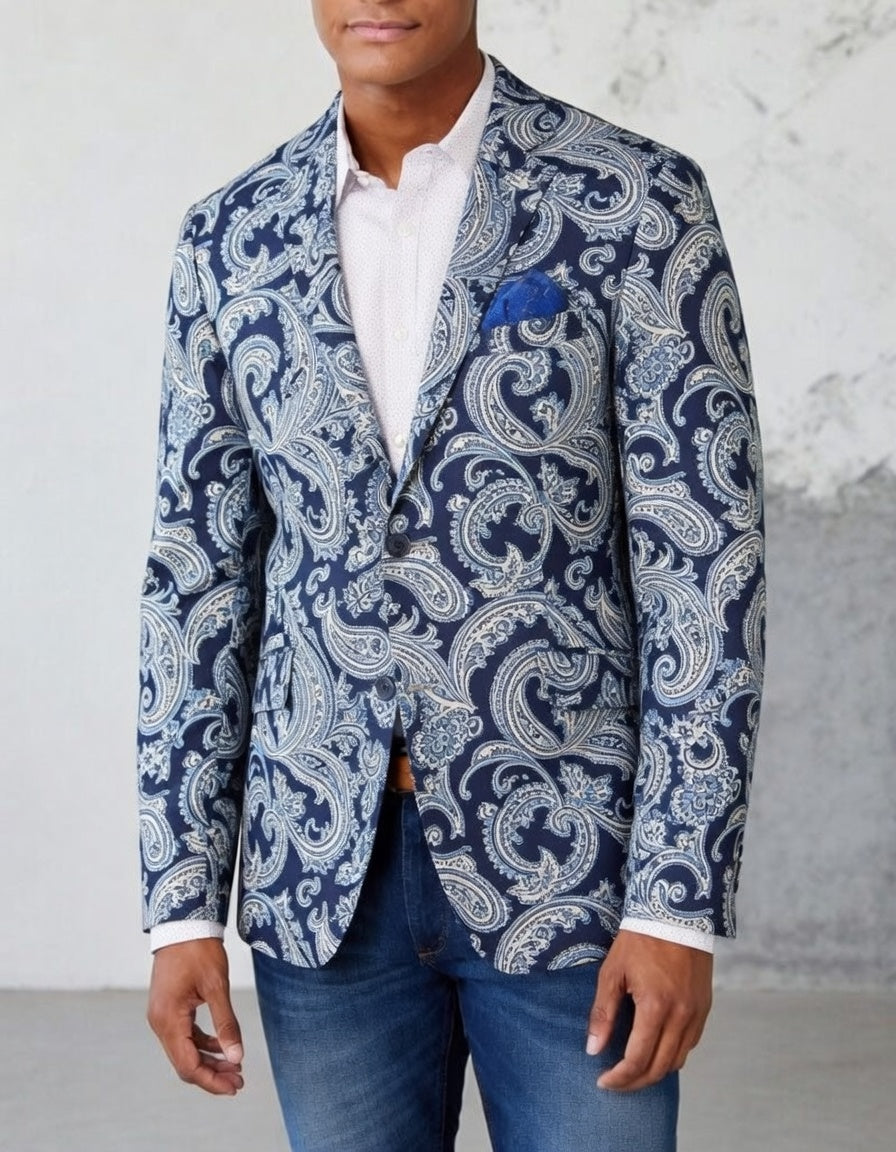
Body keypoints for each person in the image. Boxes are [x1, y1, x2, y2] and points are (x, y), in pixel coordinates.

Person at [138, 2, 765, 1149]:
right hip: (320, 884)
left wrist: (676, 902)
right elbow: (197, 579)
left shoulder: (634, 198)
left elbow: (704, 568)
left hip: (574, 869)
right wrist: (180, 908)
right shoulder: (229, 234)